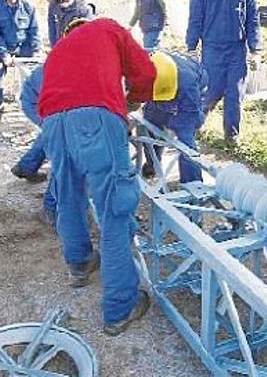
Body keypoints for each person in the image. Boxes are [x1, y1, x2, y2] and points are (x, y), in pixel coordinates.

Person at [38, 17, 156, 336]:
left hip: (52, 124)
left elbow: (47, 97)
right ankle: (120, 307)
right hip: (95, 120)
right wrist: (128, 104)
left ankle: (79, 265)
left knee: (68, 196)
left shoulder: (58, 49)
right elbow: (146, 72)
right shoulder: (108, 28)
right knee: (114, 210)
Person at [185, 0, 261, 144]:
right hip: (212, 50)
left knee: (235, 94)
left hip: (237, 51)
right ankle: (193, 126)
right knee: (211, 92)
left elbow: (253, 19)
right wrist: (191, 47)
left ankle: (231, 135)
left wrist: (255, 50)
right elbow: (195, 19)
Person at [141, 51, 208, 183]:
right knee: (150, 124)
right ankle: (152, 164)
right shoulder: (144, 65)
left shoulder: (188, 85)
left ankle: (193, 182)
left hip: (187, 89)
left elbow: (193, 117)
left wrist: (180, 123)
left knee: (185, 138)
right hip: (164, 85)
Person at [12, 63, 57, 227]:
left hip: (45, 100)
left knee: (51, 135)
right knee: (63, 152)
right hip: (38, 101)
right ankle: (51, 208)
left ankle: (25, 167)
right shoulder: (71, 65)